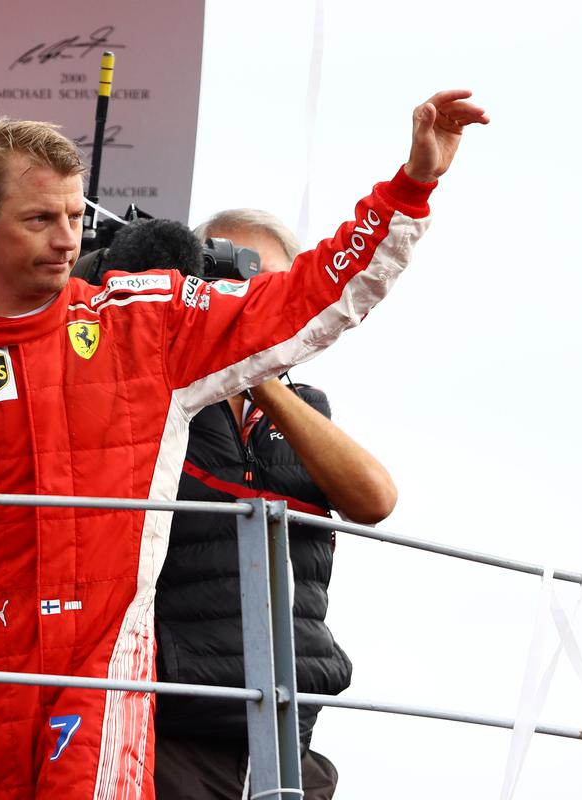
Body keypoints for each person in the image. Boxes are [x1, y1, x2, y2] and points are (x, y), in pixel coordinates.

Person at [0, 90, 489, 800]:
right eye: (40, 219)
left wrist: (410, 186)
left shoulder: (147, 322)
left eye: (74, 215)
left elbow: (305, 301)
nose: (67, 239)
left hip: (105, 678)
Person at [154, 209, 396, 799]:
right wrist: (223, 354)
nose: (253, 303)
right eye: (235, 283)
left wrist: (259, 368)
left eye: (275, 290)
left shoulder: (306, 404)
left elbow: (376, 499)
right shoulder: (158, 393)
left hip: (291, 723)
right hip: (172, 724)